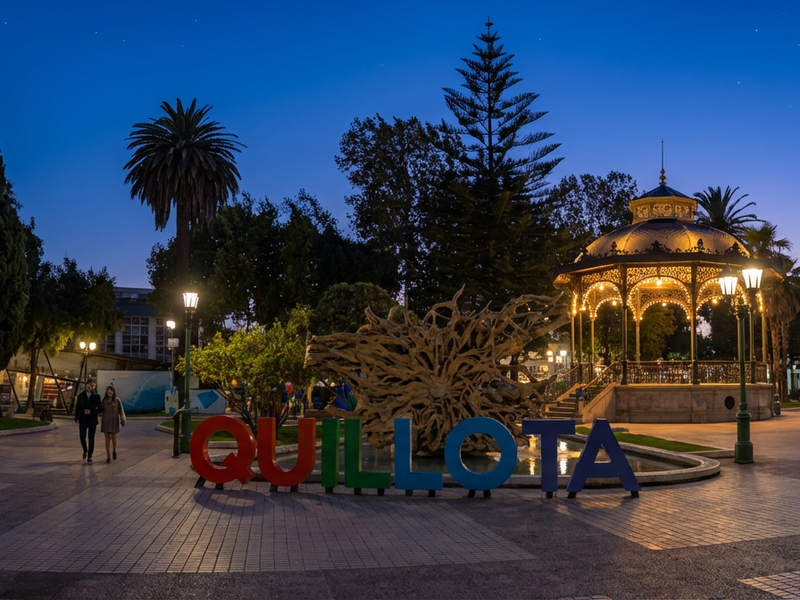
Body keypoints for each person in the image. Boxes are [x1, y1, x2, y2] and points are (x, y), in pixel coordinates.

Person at [74, 379, 102, 463]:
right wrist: (77, 417)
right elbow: (78, 407)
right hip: (83, 419)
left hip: (92, 419)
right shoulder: (81, 396)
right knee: (82, 435)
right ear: (85, 385)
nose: (89, 387)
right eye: (88, 385)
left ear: (93, 387)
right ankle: (85, 450)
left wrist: (92, 411)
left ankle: (90, 455)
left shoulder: (96, 396)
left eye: (91, 385)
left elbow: (100, 408)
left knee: (91, 438)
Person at [100, 385, 126, 463]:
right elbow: (100, 410)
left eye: (111, 390)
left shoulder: (117, 400)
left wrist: (123, 419)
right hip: (106, 421)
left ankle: (114, 450)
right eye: (108, 390)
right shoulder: (104, 400)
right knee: (107, 439)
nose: (109, 391)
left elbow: (121, 410)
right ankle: (108, 456)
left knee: (114, 438)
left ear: (113, 392)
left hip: (114, 421)